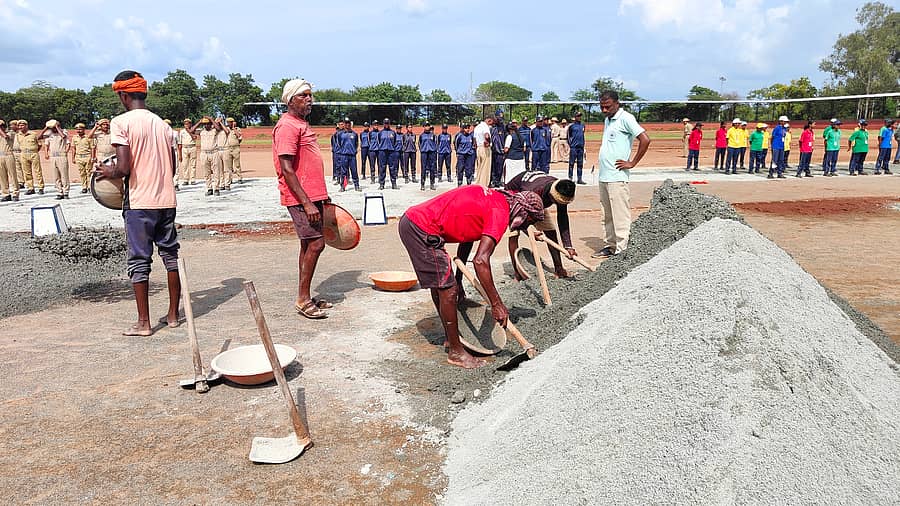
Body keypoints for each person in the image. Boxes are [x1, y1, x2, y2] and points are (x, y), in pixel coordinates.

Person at [398, 185, 545, 369]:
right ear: (522, 213)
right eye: (529, 221)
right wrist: (496, 304)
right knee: (447, 289)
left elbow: (467, 237)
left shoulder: (498, 200)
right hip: (421, 228)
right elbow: (481, 261)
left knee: (444, 285)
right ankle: (456, 352)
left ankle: (452, 339)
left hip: (414, 222)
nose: (525, 227)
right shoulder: (499, 212)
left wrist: (459, 279)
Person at [94, 70, 180, 336]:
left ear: (123, 95)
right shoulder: (163, 125)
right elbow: (173, 168)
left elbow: (123, 168)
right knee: (170, 256)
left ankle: (144, 323)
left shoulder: (121, 122)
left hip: (140, 202)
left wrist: (107, 172)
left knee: (140, 261)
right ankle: (173, 315)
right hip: (166, 200)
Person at [272, 78, 334, 319]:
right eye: (303, 95)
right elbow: (287, 169)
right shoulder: (287, 126)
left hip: (312, 195)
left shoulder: (300, 123)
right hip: (300, 198)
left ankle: (305, 295)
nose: (309, 100)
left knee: (308, 244)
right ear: (290, 100)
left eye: (310, 95)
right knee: (317, 244)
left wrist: (321, 196)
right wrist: (307, 203)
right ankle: (302, 298)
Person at [592, 91, 650, 258]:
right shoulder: (608, 119)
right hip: (604, 175)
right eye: (602, 107)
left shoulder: (626, 118)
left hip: (617, 177)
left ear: (617, 104)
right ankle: (610, 246)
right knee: (607, 214)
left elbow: (645, 139)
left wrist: (632, 163)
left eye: (608, 107)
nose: (604, 110)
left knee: (620, 215)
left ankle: (621, 250)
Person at [505, 171, 577, 278]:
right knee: (514, 234)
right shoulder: (533, 190)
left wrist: (568, 246)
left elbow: (562, 217)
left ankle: (559, 269)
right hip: (515, 199)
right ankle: (517, 272)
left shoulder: (562, 189)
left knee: (551, 233)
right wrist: (530, 233)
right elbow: (519, 219)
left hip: (537, 202)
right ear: (552, 196)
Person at [42, 120, 71, 199]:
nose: (53, 129)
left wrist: (57, 127)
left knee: (64, 175)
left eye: (54, 127)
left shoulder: (63, 132)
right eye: (52, 128)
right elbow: (42, 140)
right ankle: (59, 192)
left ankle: (66, 192)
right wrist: (46, 127)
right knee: (56, 176)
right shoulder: (49, 134)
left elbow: (64, 137)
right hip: (53, 156)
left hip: (61, 156)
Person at [336, 118, 361, 191]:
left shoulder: (354, 134)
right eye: (346, 123)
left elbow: (356, 144)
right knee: (343, 171)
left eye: (348, 123)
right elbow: (339, 144)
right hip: (344, 155)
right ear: (344, 124)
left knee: (354, 171)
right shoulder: (340, 134)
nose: (347, 124)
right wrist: (342, 151)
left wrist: (354, 151)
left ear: (350, 124)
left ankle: (356, 185)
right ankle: (342, 186)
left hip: (352, 156)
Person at [69, 123, 94, 193]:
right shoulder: (74, 138)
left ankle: (89, 187)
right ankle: (84, 187)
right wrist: (73, 158)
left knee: (89, 172)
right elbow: (73, 148)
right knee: (82, 173)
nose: (79, 131)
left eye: (80, 129)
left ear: (84, 129)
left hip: (87, 156)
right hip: (79, 157)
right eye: (77, 129)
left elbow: (92, 148)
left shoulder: (88, 137)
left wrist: (92, 157)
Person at [0, 120, 18, 202]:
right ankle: (6, 193)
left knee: (12, 175)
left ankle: (15, 193)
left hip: (8, 155)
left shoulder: (11, 133)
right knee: (2, 177)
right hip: (0, 156)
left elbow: (5, 137)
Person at [377, 119, 398, 190]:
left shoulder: (393, 132)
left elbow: (395, 142)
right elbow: (378, 141)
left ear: (389, 124)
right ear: (383, 124)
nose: (386, 124)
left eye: (387, 123)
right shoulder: (380, 133)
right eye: (385, 123)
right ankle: (382, 184)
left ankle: (394, 183)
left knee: (392, 168)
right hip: (382, 152)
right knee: (382, 168)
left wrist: (392, 148)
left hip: (391, 152)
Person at [473, 116, 493, 187]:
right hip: (485, 148)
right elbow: (487, 136)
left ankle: (478, 182)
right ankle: (484, 184)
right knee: (485, 168)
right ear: (489, 120)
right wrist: (488, 142)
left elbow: (474, 139)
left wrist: (477, 147)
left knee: (480, 167)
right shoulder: (485, 127)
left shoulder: (477, 127)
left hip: (478, 148)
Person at [567, 112, 586, 183]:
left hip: (580, 147)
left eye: (580, 116)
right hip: (574, 147)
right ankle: (570, 177)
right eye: (578, 116)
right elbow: (568, 136)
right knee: (571, 163)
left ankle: (579, 178)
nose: (579, 117)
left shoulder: (582, 125)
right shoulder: (571, 126)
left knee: (580, 164)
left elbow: (582, 135)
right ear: (575, 117)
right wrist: (571, 145)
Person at [223, 117, 243, 185]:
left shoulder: (237, 129)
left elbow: (239, 136)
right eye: (228, 122)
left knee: (237, 164)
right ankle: (229, 179)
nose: (229, 123)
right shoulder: (226, 129)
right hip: (228, 148)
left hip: (235, 148)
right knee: (229, 165)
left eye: (231, 122)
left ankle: (239, 177)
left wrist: (234, 128)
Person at [177, 119, 197, 185]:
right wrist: (180, 154)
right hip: (184, 148)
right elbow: (179, 143)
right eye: (185, 124)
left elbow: (194, 137)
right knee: (185, 164)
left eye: (188, 123)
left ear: (190, 124)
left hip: (192, 147)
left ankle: (193, 179)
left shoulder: (193, 130)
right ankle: (186, 179)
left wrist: (189, 130)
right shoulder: (182, 132)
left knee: (193, 164)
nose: (186, 125)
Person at [418, 123, 438, 190]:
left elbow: (436, 143)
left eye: (428, 126)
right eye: (426, 126)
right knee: (423, 168)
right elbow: (419, 143)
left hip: (431, 153)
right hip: (424, 153)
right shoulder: (421, 135)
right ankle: (422, 184)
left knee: (432, 168)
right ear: (424, 127)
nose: (427, 127)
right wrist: (422, 150)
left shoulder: (433, 135)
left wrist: (434, 150)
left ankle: (432, 184)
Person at [490, 121, 505, 187]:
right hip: (493, 151)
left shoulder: (503, 128)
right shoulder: (492, 129)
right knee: (493, 167)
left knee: (499, 168)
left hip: (501, 151)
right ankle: (494, 181)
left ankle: (498, 181)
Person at [368, 119, 380, 184]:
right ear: (373, 126)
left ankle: (380, 177)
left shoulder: (380, 132)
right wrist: (372, 146)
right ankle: (373, 178)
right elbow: (369, 141)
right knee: (372, 165)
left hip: (379, 150)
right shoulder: (370, 133)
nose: (376, 126)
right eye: (375, 125)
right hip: (372, 150)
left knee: (380, 165)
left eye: (377, 125)